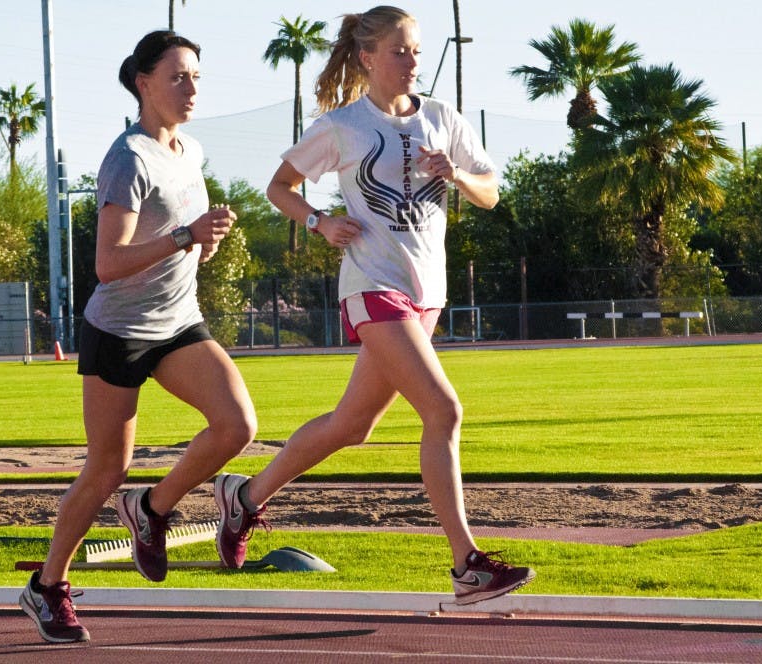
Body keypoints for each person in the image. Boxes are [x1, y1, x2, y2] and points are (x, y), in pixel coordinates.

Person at [213, 5, 534, 605]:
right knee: (444, 412)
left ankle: (245, 497)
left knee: (351, 426)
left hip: (426, 293)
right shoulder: (343, 126)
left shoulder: (442, 118)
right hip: (371, 284)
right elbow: (278, 187)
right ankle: (467, 563)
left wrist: (458, 177)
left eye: (415, 50)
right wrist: (318, 222)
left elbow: (490, 191)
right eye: (400, 51)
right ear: (367, 58)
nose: (412, 61)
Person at [20, 30, 257, 643]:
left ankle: (151, 510)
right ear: (143, 83)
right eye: (178, 77)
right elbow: (109, 262)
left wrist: (205, 241)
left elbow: (180, 239)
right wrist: (184, 236)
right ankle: (48, 586)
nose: (191, 88)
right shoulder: (127, 158)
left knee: (237, 426)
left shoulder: (188, 150)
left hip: (177, 321)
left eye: (196, 77)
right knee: (105, 470)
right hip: (118, 332)